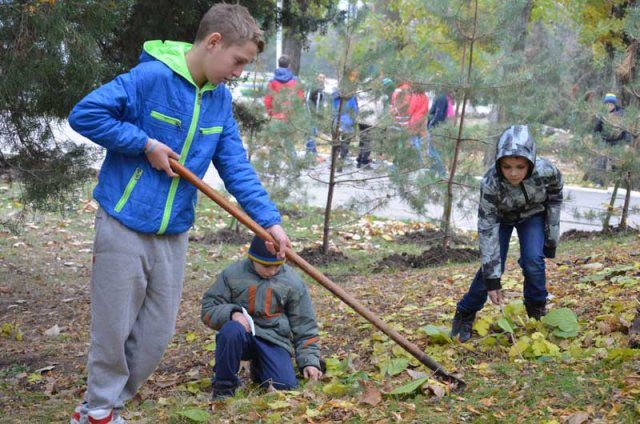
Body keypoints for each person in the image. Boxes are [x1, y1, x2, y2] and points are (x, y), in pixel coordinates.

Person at [67, 4, 290, 423]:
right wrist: (143, 143)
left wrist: (269, 220)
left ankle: (113, 403)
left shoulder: (219, 101)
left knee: (156, 335)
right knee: (113, 330)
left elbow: (236, 166)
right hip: (123, 221)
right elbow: (85, 114)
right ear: (214, 42)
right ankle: (98, 410)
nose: (239, 72)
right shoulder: (150, 78)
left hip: (174, 231)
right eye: (238, 61)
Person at [450, 125, 564, 343]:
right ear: (498, 164)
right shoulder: (491, 183)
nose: (513, 173)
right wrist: (493, 280)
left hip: (533, 215)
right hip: (500, 220)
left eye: (520, 167)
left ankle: (536, 307)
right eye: (507, 166)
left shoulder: (547, 172)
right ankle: (466, 311)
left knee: (533, 260)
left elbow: (555, 201)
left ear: (530, 162)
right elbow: (487, 228)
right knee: (493, 266)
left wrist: (551, 239)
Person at [201, 236, 323, 399]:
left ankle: (259, 368)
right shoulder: (232, 274)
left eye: (277, 267)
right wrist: (233, 313)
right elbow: (208, 309)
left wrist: (310, 361)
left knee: (285, 387)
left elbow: (305, 325)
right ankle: (224, 387)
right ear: (252, 259)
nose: (271, 271)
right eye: (266, 266)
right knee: (230, 331)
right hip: (242, 336)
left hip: (274, 340)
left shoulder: (292, 281)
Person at [585, 93, 632, 185]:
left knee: (616, 163)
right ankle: (599, 182)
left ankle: (617, 183)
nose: (609, 106)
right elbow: (597, 129)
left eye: (611, 104)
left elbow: (627, 130)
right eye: (607, 104)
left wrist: (627, 143)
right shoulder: (603, 114)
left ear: (614, 104)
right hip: (605, 141)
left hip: (618, 141)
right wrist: (593, 138)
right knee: (600, 161)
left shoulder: (622, 114)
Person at [390, 82, 429, 164]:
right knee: (415, 142)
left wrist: (396, 113)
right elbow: (423, 110)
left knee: (410, 142)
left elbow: (409, 108)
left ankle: (407, 163)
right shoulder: (424, 96)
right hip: (418, 121)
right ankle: (417, 164)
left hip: (409, 121)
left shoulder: (412, 95)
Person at [264, 55, 304, 122]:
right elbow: (300, 98)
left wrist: (271, 114)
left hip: (276, 117)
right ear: (289, 65)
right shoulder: (296, 81)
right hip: (292, 118)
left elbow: (268, 100)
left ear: (279, 64)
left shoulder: (271, 82)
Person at [425, 93, 449, 177]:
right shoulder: (441, 96)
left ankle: (442, 172)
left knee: (432, 151)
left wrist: (431, 124)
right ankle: (432, 171)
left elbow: (439, 114)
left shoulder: (441, 97)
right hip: (437, 127)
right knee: (432, 150)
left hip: (435, 128)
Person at [305, 73, 327, 157]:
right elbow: (307, 100)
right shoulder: (313, 87)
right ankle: (313, 154)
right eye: (320, 77)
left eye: (323, 78)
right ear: (316, 78)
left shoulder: (321, 89)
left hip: (317, 115)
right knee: (312, 133)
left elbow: (322, 102)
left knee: (311, 133)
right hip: (311, 115)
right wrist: (311, 113)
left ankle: (308, 153)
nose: (322, 79)